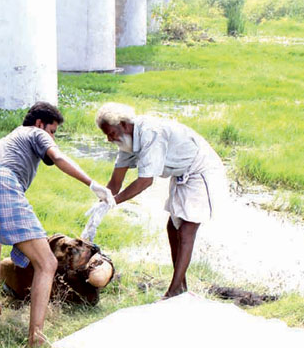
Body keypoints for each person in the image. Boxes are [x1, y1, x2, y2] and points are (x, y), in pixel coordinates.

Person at [0, 102, 115, 348]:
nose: (52, 138)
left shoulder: (6, 140)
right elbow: (57, 157)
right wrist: (92, 184)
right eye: (53, 131)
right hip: (3, 184)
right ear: (40, 124)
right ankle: (36, 339)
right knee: (47, 263)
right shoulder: (34, 132)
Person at [95, 102, 226, 298]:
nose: (108, 138)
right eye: (106, 134)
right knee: (172, 227)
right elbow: (115, 182)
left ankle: (173, 291)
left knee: (187, 230)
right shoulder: (125, 142)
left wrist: (115, 202)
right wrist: (100, 205)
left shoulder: (151, 133)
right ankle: (180, 287)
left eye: (111, 132)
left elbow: (145, 181)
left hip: (200, 170)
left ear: (123, 124)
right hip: (181, 174)